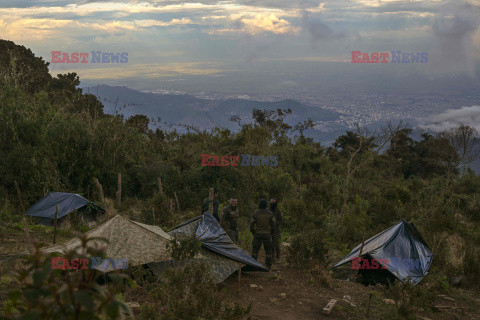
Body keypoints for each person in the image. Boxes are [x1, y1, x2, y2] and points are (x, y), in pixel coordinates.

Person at [250, 199, 275, 270]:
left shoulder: (256, 213)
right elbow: (273, 224)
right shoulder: (270, 213)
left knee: (255, 251)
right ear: (266, 205)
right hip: (267, 234)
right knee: (268, 251)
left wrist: (253, 232)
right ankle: (268, 266)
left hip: (258, 234)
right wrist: (271, 232)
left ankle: (253, 265)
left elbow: (251, 224)